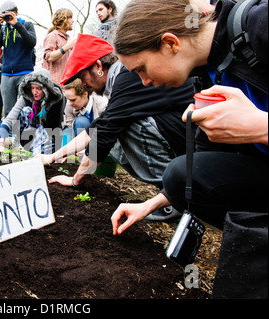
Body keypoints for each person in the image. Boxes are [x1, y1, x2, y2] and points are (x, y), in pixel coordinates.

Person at [111, 0, 268, 298]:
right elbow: (203, 156)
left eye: (141, 69)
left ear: (170, 42)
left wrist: (260, 127)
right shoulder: (208, 72)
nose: (144, 82)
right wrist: (151, 204)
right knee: (181, 174)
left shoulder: (260, 25)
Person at [40, 33, 196, 223]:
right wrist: (53, 156)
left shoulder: (127, 77)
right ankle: (168, 192)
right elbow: (97, 128)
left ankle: (175, 195)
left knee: (124, 126)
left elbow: (102, 137)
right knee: (113, 127)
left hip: (191, 135)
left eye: (82, 76)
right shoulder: (122, 78)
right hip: (180, 130)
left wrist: (76, 180)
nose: (84, 85)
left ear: (98, 66)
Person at [0, 68, 65, 156]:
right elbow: (11, 116)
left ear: (46, 89)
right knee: (26, 111)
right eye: (32, 88)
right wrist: (1, 138)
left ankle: (38, 153)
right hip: (30, 136)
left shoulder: (58, 100)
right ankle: (27, 148)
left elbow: (58, 125)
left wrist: (59, 151)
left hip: (50, 136)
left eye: (38, 88)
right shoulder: (27, 96)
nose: (34, 92)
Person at [0, 0, 37, 117]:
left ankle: (24, 134)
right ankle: (12, 134)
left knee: (25, 108)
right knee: (9, 110)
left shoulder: (27, 25)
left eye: (10, 14)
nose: (8, 17)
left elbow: (32, 42)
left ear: (16, 12)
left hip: (24, 72)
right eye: (4, 14)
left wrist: (17, 24)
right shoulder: (3, 29)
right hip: (7, 74)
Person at [61, 79, 108, 147]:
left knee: (81, 121)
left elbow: (107, 130)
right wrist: (64, 151)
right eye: (68, 99)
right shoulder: (70, 105)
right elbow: (69, 127)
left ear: (85, 94)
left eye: (73, 100)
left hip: (100, 139)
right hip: (79, 140)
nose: (69, 103)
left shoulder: (102, 105)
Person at [42, 8, 76, 86]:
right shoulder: (52, 36)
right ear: (64, 20)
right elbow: (49, 57)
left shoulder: (68, 38)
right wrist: (67, 47)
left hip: (67, 84)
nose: (73, 21)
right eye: (70, 18)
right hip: (54, 85)